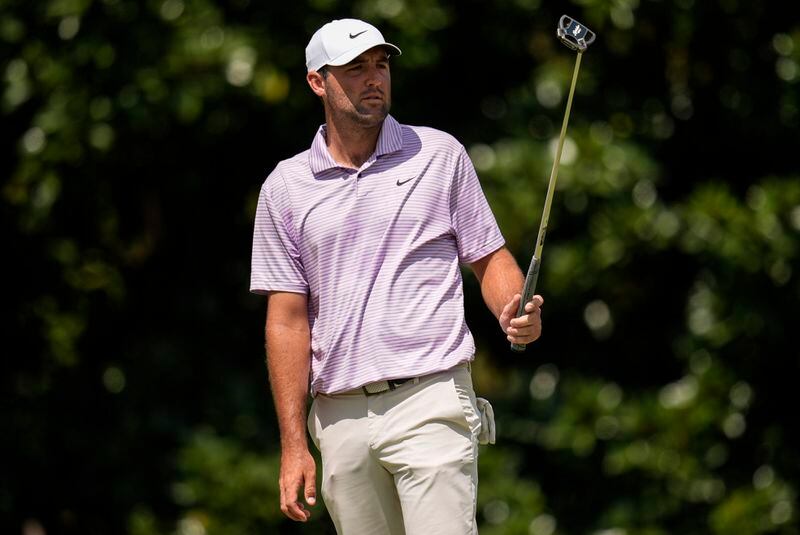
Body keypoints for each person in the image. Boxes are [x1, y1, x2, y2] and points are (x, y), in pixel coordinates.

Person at [250, 18, 543, 535]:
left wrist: (513, 306)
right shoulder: (285, 187)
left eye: (381, 65)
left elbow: (489, 258)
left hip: (430, 397)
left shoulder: (438, 155)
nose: (374, 78)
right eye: (355, 68)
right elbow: (288, 321)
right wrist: (294, 445)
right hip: (339, 418)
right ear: (318, 81)